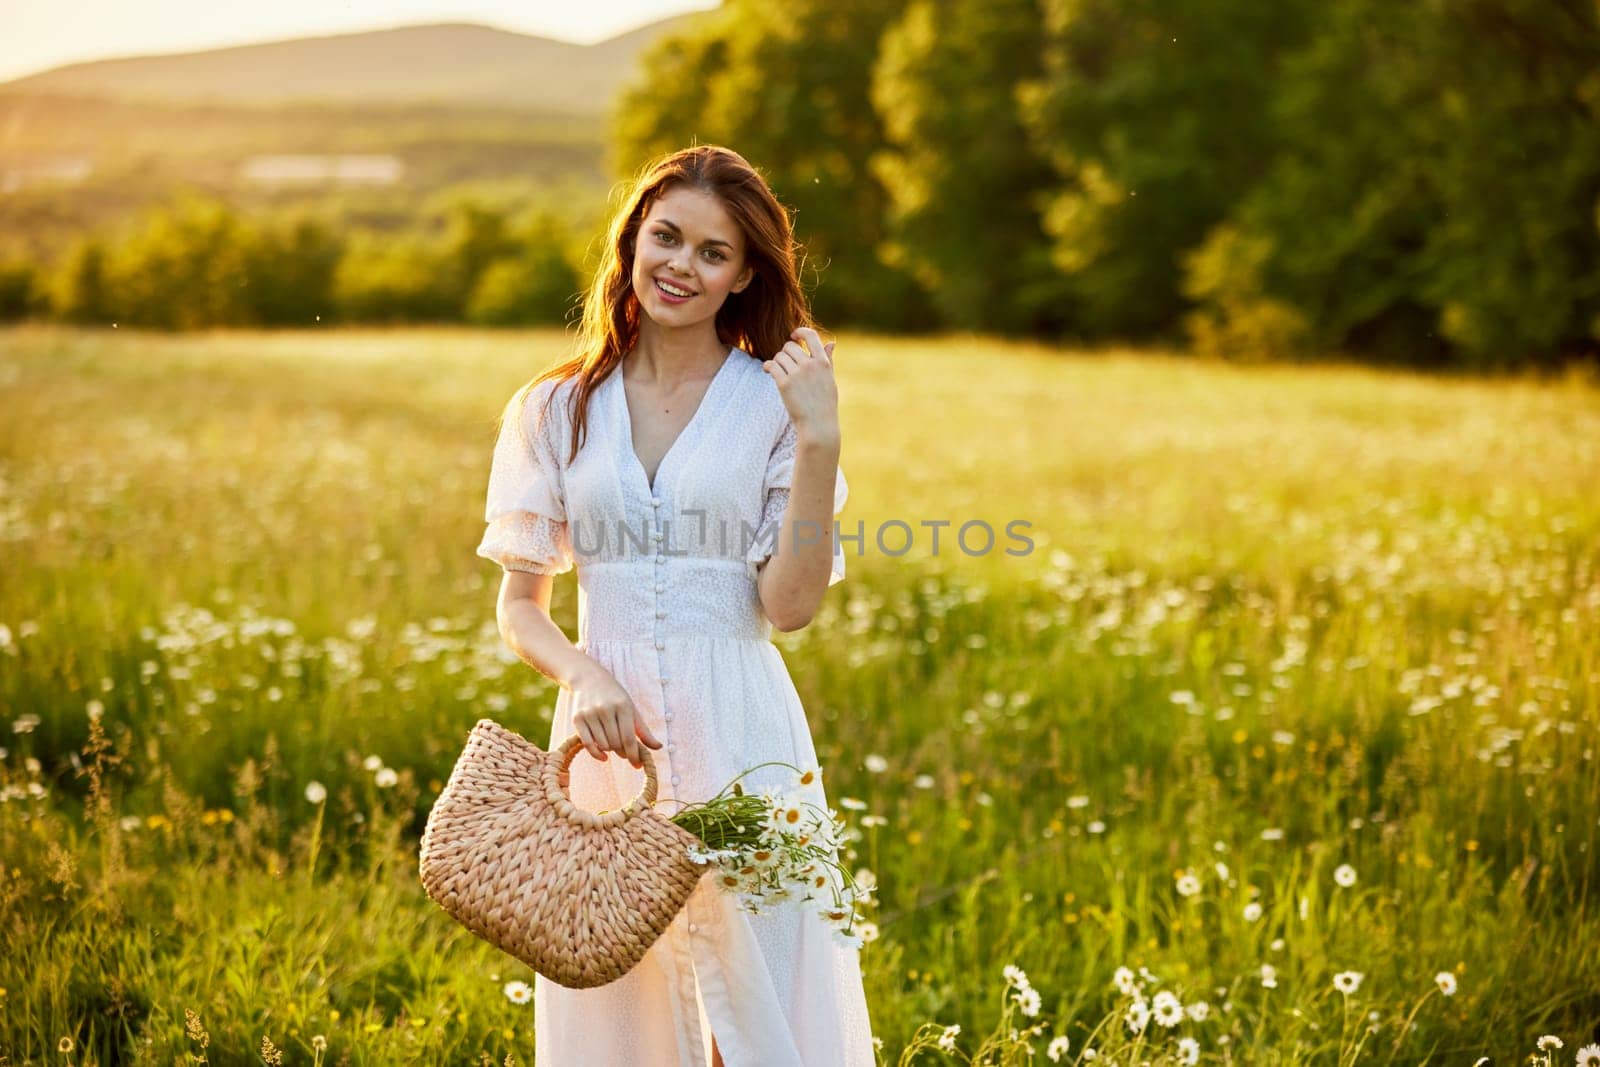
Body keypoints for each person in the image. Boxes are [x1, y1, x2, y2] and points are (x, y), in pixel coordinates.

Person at [475, 144, 876, 1066]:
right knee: (630, 1006)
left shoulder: (771, 405)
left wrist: (819, 440)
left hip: (745, 738)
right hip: (608, 753)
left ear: (743, 276)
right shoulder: (555, 407)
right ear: (632, 241)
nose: (680, 266)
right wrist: (584, 673)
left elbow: (790, 605)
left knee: (755, 1007)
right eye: (667, 237)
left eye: (712, 252)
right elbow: (521, 605)